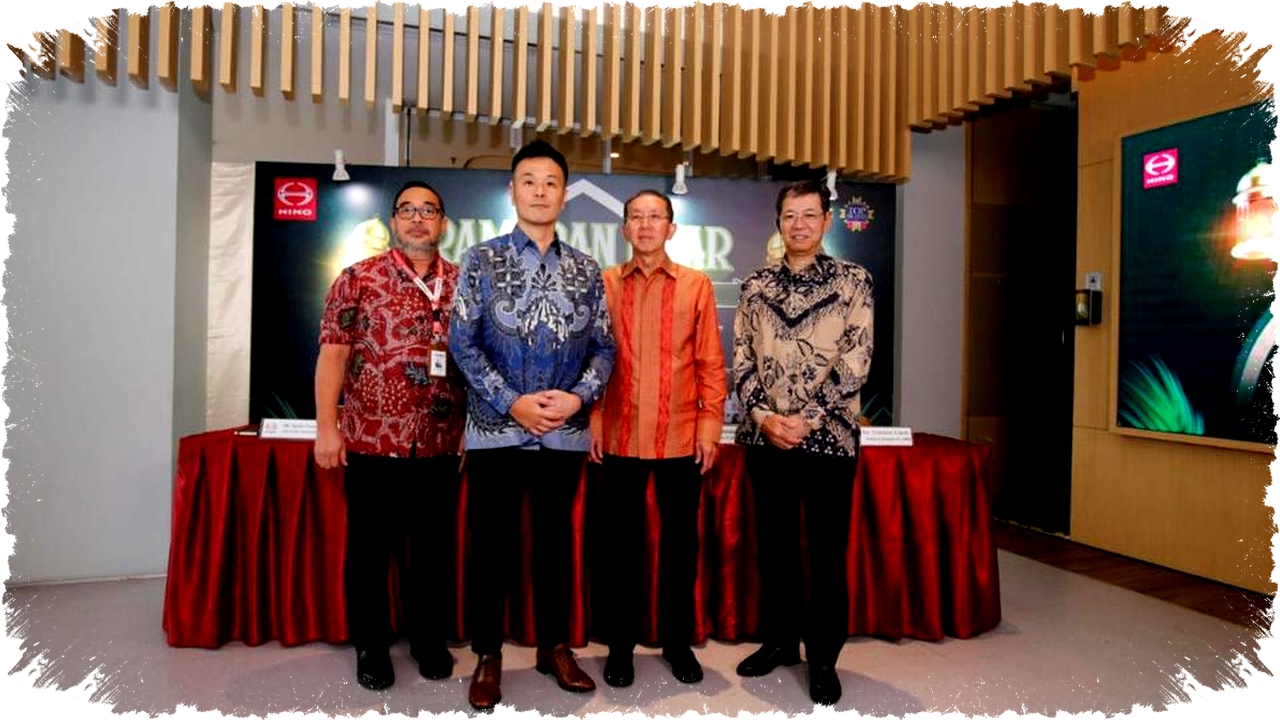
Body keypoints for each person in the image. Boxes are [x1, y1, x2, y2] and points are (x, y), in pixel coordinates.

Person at [449, 139, 615, 710]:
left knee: (554, 548)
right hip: (495, 430)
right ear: (512, 191)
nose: (540, 191)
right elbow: (462, 344)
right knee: (490, 549)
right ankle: (488, 655)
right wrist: (511, 402)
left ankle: (554, 647)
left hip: (564, 434)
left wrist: (577, 399)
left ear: (564, 195)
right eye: (529, 181)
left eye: (550, 182)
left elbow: (605, 348)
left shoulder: (586, 269)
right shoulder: (481, 260)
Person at [314, 181, 467, 691]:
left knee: (432, 551)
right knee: (369, 552)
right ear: (394, 220)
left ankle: (427, 640)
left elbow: (475, 363)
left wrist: (471, 428)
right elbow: (333, 355)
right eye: (408, 210)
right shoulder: (358, 279)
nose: (418, 218)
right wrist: (327, 427)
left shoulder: (464, 283)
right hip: (371, 441)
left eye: (429, 210)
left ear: (443, 223)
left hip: (440, 442)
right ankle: (371, 646)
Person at [731, 178, 874, 706]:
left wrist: (805, 419)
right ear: (778, 222)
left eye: (810, 215)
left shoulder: (853, 280)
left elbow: (856, 361)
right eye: (790, 216)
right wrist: (766, 417)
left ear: (826, 221)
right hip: (765, 438)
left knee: (826, 554)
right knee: (775, 548)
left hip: (829, 439)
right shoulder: (755, 285)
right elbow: (742, 359)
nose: (799, 225)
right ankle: (779, 642)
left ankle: (824, 658)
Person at [588, 190, 727, 688]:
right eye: (636, 217)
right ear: (624, 228)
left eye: (655, 217)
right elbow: (593, 359)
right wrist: (595, 420)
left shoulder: (696, 284)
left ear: (671, 228)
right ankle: (620, 647)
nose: (645, 225)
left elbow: (710, 362)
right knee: (619, 551)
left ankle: (676, 642)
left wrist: (710, 426)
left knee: (679, 550)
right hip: (620, 434)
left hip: (681, 436)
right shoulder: (604, 284)